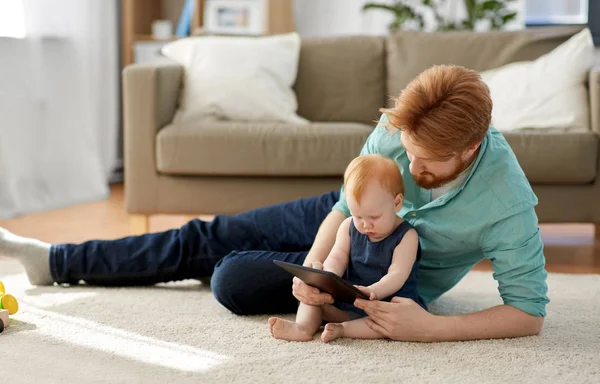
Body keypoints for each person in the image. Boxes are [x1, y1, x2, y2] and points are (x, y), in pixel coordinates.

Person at [0, 64, 549, 342]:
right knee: (207, 235)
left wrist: (433, 329)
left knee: (231, 281)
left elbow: (528, 314)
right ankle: (56, 261)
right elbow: (346, 203)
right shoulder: (400, 126)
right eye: (406, 154)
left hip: (380, 273)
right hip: (342, 218)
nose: (414, 169)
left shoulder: (507, 203)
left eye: (426, 163)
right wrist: (315, 266)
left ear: (471, 147)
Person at [269, 154, 425, 343]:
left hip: (385, 302)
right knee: (312, 294)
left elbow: (397, 275)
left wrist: (373, 291)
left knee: (386, 324)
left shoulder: (407, 236)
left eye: (374, 217)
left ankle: (343, 329)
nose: (365, 225)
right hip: (349, 298)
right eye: (358, 216)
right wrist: (327, 277)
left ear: (396, 203)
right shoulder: (348, 226)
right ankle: (303, 327)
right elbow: (338, 256)